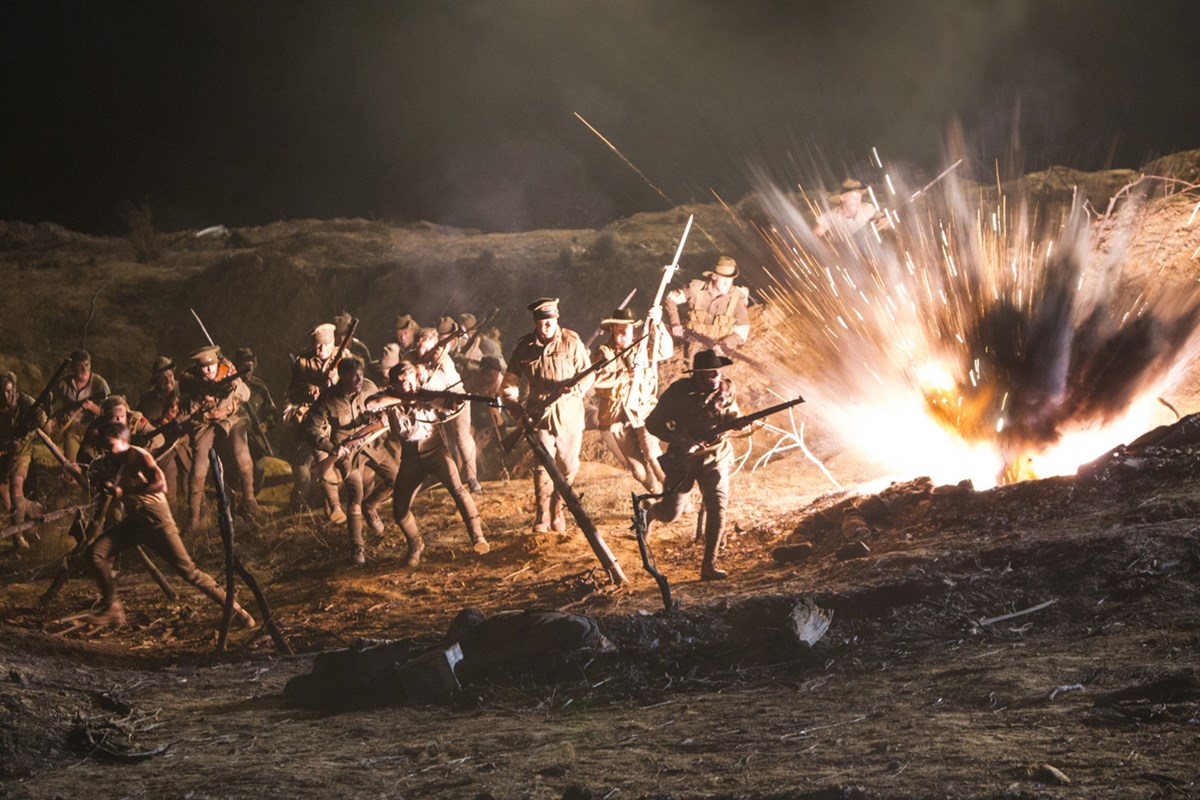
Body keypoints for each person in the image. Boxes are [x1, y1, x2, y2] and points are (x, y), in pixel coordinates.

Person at [81, 421, 254, 628]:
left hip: (156, 520)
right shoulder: (112, 460)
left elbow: (160, 485)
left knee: (190, 572)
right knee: (95, 553)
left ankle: (238, 612)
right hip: (135, 521)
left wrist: (123, 492)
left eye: (110, 445)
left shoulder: (138, 456)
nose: (107, 451)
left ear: (124, 441)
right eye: (104, 446)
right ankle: (113, 608)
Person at [366, 360, 488, 566]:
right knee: (400, 512)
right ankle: (416, 544)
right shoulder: (389, 398)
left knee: (458, 491)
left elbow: (448, 405)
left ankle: (478, 537)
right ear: (394, 385)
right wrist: (403, 399)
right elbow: (371, 403)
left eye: (411, 382)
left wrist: (452, 403)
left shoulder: (427, 395)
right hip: (410, 457)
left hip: (436, 451)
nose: (409, 387)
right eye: (403, 384)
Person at [643, 349, 741, 581]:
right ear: (697, 374)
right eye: (709, 373)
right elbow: (653, 423)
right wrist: (681, 440)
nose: (715, 376)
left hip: (715, 456)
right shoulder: (678, 392)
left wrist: (737, 423)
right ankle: (650, 512)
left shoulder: (726, 388)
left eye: (717, 372)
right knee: (671, 513)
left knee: (718, 507)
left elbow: (732, 414)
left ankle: (709, 564)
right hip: (683, 460)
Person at [501, 297, 592, 533]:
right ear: (535, 322)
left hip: (569, 414)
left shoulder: (572, 341)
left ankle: (557, 508)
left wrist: (576, 389)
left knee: (568, 466)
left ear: (557, 319)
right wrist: (517, 412)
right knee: (542, 465)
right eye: (541, 323)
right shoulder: (525, 347)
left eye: (550, 322)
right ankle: (542, 514)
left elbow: (588, 374)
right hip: (538, 415)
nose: (546, 327)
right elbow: (508, 384)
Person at [303, 357, 397, 565]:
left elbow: (384, 403)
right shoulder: (328, 398)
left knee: (395, 478)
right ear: (342, 377)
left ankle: (370, 507)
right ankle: (357, 546)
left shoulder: (369, 388)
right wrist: (331, 447)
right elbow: (309, 427)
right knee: (356, 493)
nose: (358, 380)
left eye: (361, 375)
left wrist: (384, 416)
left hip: (372, 444)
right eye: (353, 376)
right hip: (346, 450)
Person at [591, 306, 673, 492]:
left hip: (644, 412)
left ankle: (673, 494)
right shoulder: (603, 353)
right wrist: (624, 376)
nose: (623, 333)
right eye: (619, 329)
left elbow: (666, 351)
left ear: (633, 329)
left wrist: (658, 323)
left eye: (627, 328)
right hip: (616, 417)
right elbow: (596, 379)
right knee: (638, 471)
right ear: (612, 329)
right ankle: (657, 493)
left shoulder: (642, 348)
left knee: (653, 455)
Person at [178, 345, 259, 531]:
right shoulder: (190, 379)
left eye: (212, 365)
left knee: (243, 457)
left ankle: (250, 502)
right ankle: (194, 517)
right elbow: (183, 410)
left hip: (231, 418)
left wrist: (235, 384)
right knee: (199, 468)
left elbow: (246, 395)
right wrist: (200, 399)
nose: (208, 370)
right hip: (204, 423)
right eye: (204, 367)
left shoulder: (228, 370)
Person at [283, 323, 345, 518]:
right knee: (317, 460)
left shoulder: (344, 357)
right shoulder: (303, 362)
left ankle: (333, 506)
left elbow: (357, 385)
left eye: (325, 344)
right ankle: (333, 507)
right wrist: (309, 391)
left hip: (340, 415)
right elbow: (292, 393)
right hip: (314, 418)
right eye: (317, 345)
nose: (320, 349)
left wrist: (338, 380)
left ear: (333, 342)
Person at [417, 325, 481, 492]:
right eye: (420, 347)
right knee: (441, 443)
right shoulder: (413, 359)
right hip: (432, 406)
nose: (423, 351)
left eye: (428, 348)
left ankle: (472, 478)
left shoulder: (444, 360)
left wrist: (432, 364)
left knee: (462, 436)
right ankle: (450, 480)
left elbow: (449, 386)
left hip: (455, 400)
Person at [664, 256, 751, 360]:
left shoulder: (737, 299)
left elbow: (743, 329)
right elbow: (670, 298)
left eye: (730, 280)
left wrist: (726, 343)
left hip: (719, 351)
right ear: (714, 276)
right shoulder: (696, 289)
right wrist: (675, 323)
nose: (727, 284)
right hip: (694, 344)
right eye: (723, 279)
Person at [0, 371, 45, 552]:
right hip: (2, 455)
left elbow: (44, 427)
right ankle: (34, 508)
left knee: (16, 491)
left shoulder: (26, 402)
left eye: (10, 391)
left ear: (15, 389)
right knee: (9, 503)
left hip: (21, 453)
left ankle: (17, 536)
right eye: (2, 392)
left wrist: (40, 416)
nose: (6, 396)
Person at [137, 356, 190, 506]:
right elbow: (143, 431)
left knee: (192, 485)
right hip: (164, 450)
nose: (168, 381)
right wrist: (163, 421)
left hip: (186, 445)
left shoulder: (185, 391)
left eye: (170, 375)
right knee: (169, 488)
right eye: (162, 378)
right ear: (155, 380)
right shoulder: (147, 402)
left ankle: (201, 516)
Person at [47, 349, 110, 462]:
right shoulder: (63, 383)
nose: (84, 369)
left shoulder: (99, 384)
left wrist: (92, 407)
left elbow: (108, 413)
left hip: (91, 433)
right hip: (71, 432)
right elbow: (49, 399)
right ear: (73, 367)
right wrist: (52, 419)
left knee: (90, 464)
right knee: (71, 465)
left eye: (87, 365)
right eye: (80, 366)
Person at [232, 347, 278, 494]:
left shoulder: (259, 387)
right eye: (243, 367)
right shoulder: (229, 386)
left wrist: (266, 424)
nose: (247, 371)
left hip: (255, 438)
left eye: (250, 367)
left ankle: (250, 501)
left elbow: (271, 411)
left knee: (258, 470)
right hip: (233, 438)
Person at [812, 178, 889, 240]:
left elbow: (881, 217)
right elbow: (815, 236)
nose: (857, 201)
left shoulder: (865, 209)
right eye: (854, 197)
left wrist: (883, 220)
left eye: (859, 198)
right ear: (843, 198)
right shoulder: (830, 217)